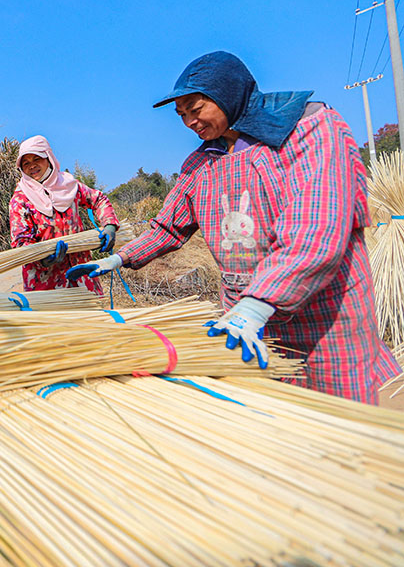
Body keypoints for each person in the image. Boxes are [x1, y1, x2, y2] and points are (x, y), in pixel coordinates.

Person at [67, 51, 398, 405]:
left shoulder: (309, 130)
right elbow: (167, 226)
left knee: (339, 420)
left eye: (196, 109)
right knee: (274, 421)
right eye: (182, 116)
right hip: (243, 318)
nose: (190, 122)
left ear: (228, 93)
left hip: (323, 312)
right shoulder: (202, 163)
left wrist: (259, 303)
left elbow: (315, 229)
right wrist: (118, 260)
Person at [10, 135, 119, 295]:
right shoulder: (20, 200)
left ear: (49, 158)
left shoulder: (69, 186)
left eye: (37, 159)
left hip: (81, 276)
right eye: (26, 163)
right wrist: (42, 258)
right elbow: (21, 241)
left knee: (91, 317)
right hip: (45, 285)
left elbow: (98, 199)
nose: (32, 166)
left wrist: (109, 225)